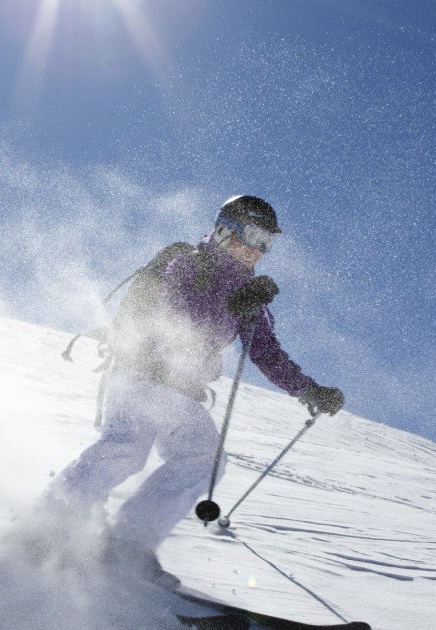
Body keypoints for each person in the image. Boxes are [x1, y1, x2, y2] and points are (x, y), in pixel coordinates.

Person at [41, 195, 345, 584]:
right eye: (252, 235)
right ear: (224, 229)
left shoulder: (249, 295)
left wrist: (309, 389)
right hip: (141, 372)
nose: (258, 249)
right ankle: (70, 530)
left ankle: (106, 537)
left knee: (183, 457)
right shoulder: (189, 263)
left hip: (175, 390)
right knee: (138, 450)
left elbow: (266, 353)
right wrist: (235, 301)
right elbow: (178, 314)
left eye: (268, 243)